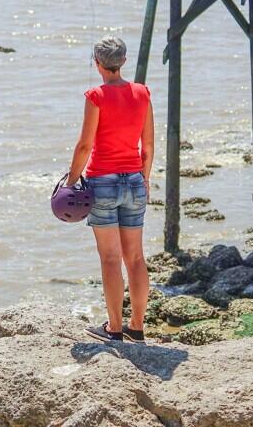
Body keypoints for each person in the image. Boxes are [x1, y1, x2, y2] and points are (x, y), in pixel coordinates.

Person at [65, 36, 154, 343]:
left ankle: (114, 328)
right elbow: (149, 145)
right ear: (124, 62)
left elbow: (85, 145)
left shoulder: (95, 96)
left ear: (97, 63)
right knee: (136, 258)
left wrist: (71, 180)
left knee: (110, 259)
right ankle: (138, 326)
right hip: (133, 181)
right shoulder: (142, 93)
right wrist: (145, 178)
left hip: (102, 183)